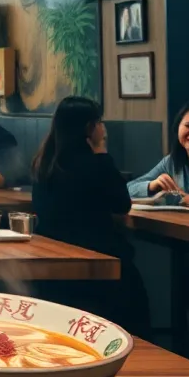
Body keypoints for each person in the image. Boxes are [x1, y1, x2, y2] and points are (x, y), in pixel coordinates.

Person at [31, 96, 149, 333]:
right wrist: (102, 153)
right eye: (100, 122)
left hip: (52, 262)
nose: (103, 128)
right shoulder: (94, 163)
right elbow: (121, 204)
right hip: (97, 263)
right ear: (90, 127)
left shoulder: (45, 162)